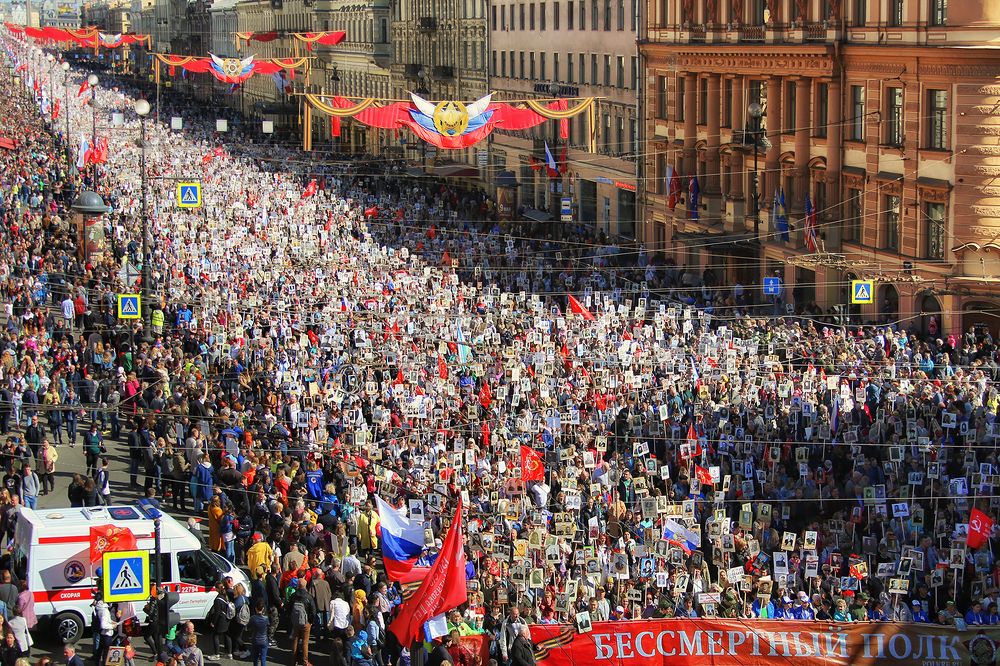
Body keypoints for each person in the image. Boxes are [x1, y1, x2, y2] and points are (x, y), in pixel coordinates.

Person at [288, 578, 317, 666]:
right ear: (305, 585)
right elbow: (313, 611)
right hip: (305, 622)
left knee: (295, 641)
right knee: (305, 642)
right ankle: (305, 661)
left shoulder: (293, 596)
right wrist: (310, 622)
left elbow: (289, 608)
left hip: (295, 622)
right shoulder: (308, 597)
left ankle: (293, 661)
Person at [247, 600, 269, 666]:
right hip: (264, 640)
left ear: (255, 608)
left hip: (255, 639)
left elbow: (248, 627)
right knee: (263, 658)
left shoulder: (253, 618)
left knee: (255, 657)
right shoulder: (266, 618)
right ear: (263, 609)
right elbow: (269, 625)